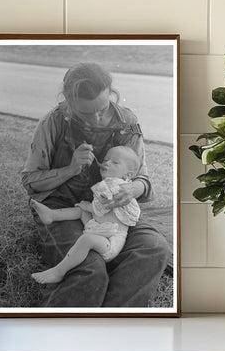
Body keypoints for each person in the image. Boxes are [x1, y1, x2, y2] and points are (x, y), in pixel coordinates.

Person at [22, 62, 171, 307]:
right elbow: (30, 182)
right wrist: (70, 169)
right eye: (85, 114)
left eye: (102, 109)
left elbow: (143, 180)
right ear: (68, 101)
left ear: (111, 93)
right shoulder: (53, 122)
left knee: (154, 249)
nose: (97, 118)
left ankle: (111, 327)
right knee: (89, 268)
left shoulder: (127, 122)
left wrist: (133, 188)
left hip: (114, 212)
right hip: (63, 208)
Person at [30, 145, 141, 284]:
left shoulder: (115, 186)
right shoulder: (113, 184)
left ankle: (59, 271)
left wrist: (87, 206)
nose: (107, 163)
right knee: (81, 211)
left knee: (86, 238)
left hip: (110, 242)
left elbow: (100, 209)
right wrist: (86, 208)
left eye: (115, 162)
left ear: (128, 175)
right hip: (99, 227)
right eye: (106, 159)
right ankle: (52, 215)